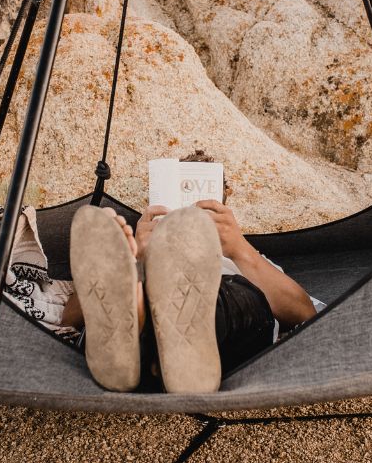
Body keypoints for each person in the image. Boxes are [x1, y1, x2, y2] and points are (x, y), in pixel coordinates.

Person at [63, 152, 318, 394]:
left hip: (221, 309)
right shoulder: (134, 250)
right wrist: (137, 256)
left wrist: (240, 250)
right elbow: (68, 319)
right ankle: (136, 312)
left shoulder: (244, 257)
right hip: (151, 304)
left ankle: (143, 320)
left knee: (234, 294)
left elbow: (305, 314)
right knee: (135, 285)